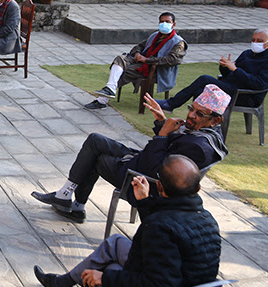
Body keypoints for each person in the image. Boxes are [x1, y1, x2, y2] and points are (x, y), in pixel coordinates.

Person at [33, 154, 222, 287]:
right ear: (198, 188)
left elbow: (155, 284)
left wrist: (105, 278)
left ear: (159, 186)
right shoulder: (208, 220)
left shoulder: (159, 226)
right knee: (115, 243)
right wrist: (144, 202)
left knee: (107, 267)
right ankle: (60, 284)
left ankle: (61, 285)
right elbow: (166, 234)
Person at [32, 84, 230, 223]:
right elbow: (168, 149)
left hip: (142, 182)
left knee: (96, 157)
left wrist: (162, 134)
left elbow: (155, 169)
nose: (191, 115)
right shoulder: (207, 134)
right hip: (142, 161)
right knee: (95, 140)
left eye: (199, 114)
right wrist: (162, 121)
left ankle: (72, 202)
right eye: (191, 109)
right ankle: (68, 199)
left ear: (216, 120)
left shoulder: (199, 146)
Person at [156, 28, 268, 112]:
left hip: (245, 95)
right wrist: (225, 67)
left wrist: (235, 69)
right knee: (199, 91)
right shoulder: (247, 54)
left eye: (259, 41)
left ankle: (171, 104)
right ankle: (197, 125)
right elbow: (229, 75)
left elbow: (259, 84)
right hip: (230, 88)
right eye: (253, 40)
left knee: (205, 79)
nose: (255, 43)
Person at [85, 12, 186, 110]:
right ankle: (110, 89)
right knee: (120, 59)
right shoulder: (155, 35)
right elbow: (139, 46)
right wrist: (137, 53)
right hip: (141, 62)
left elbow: (173, 60)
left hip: (157, 69)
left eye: (167, 22)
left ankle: (102, 100)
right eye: (162, 22)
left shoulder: (178, 42)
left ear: (174, 24)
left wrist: (147, 60)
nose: (164, 24)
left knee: (125, 71)